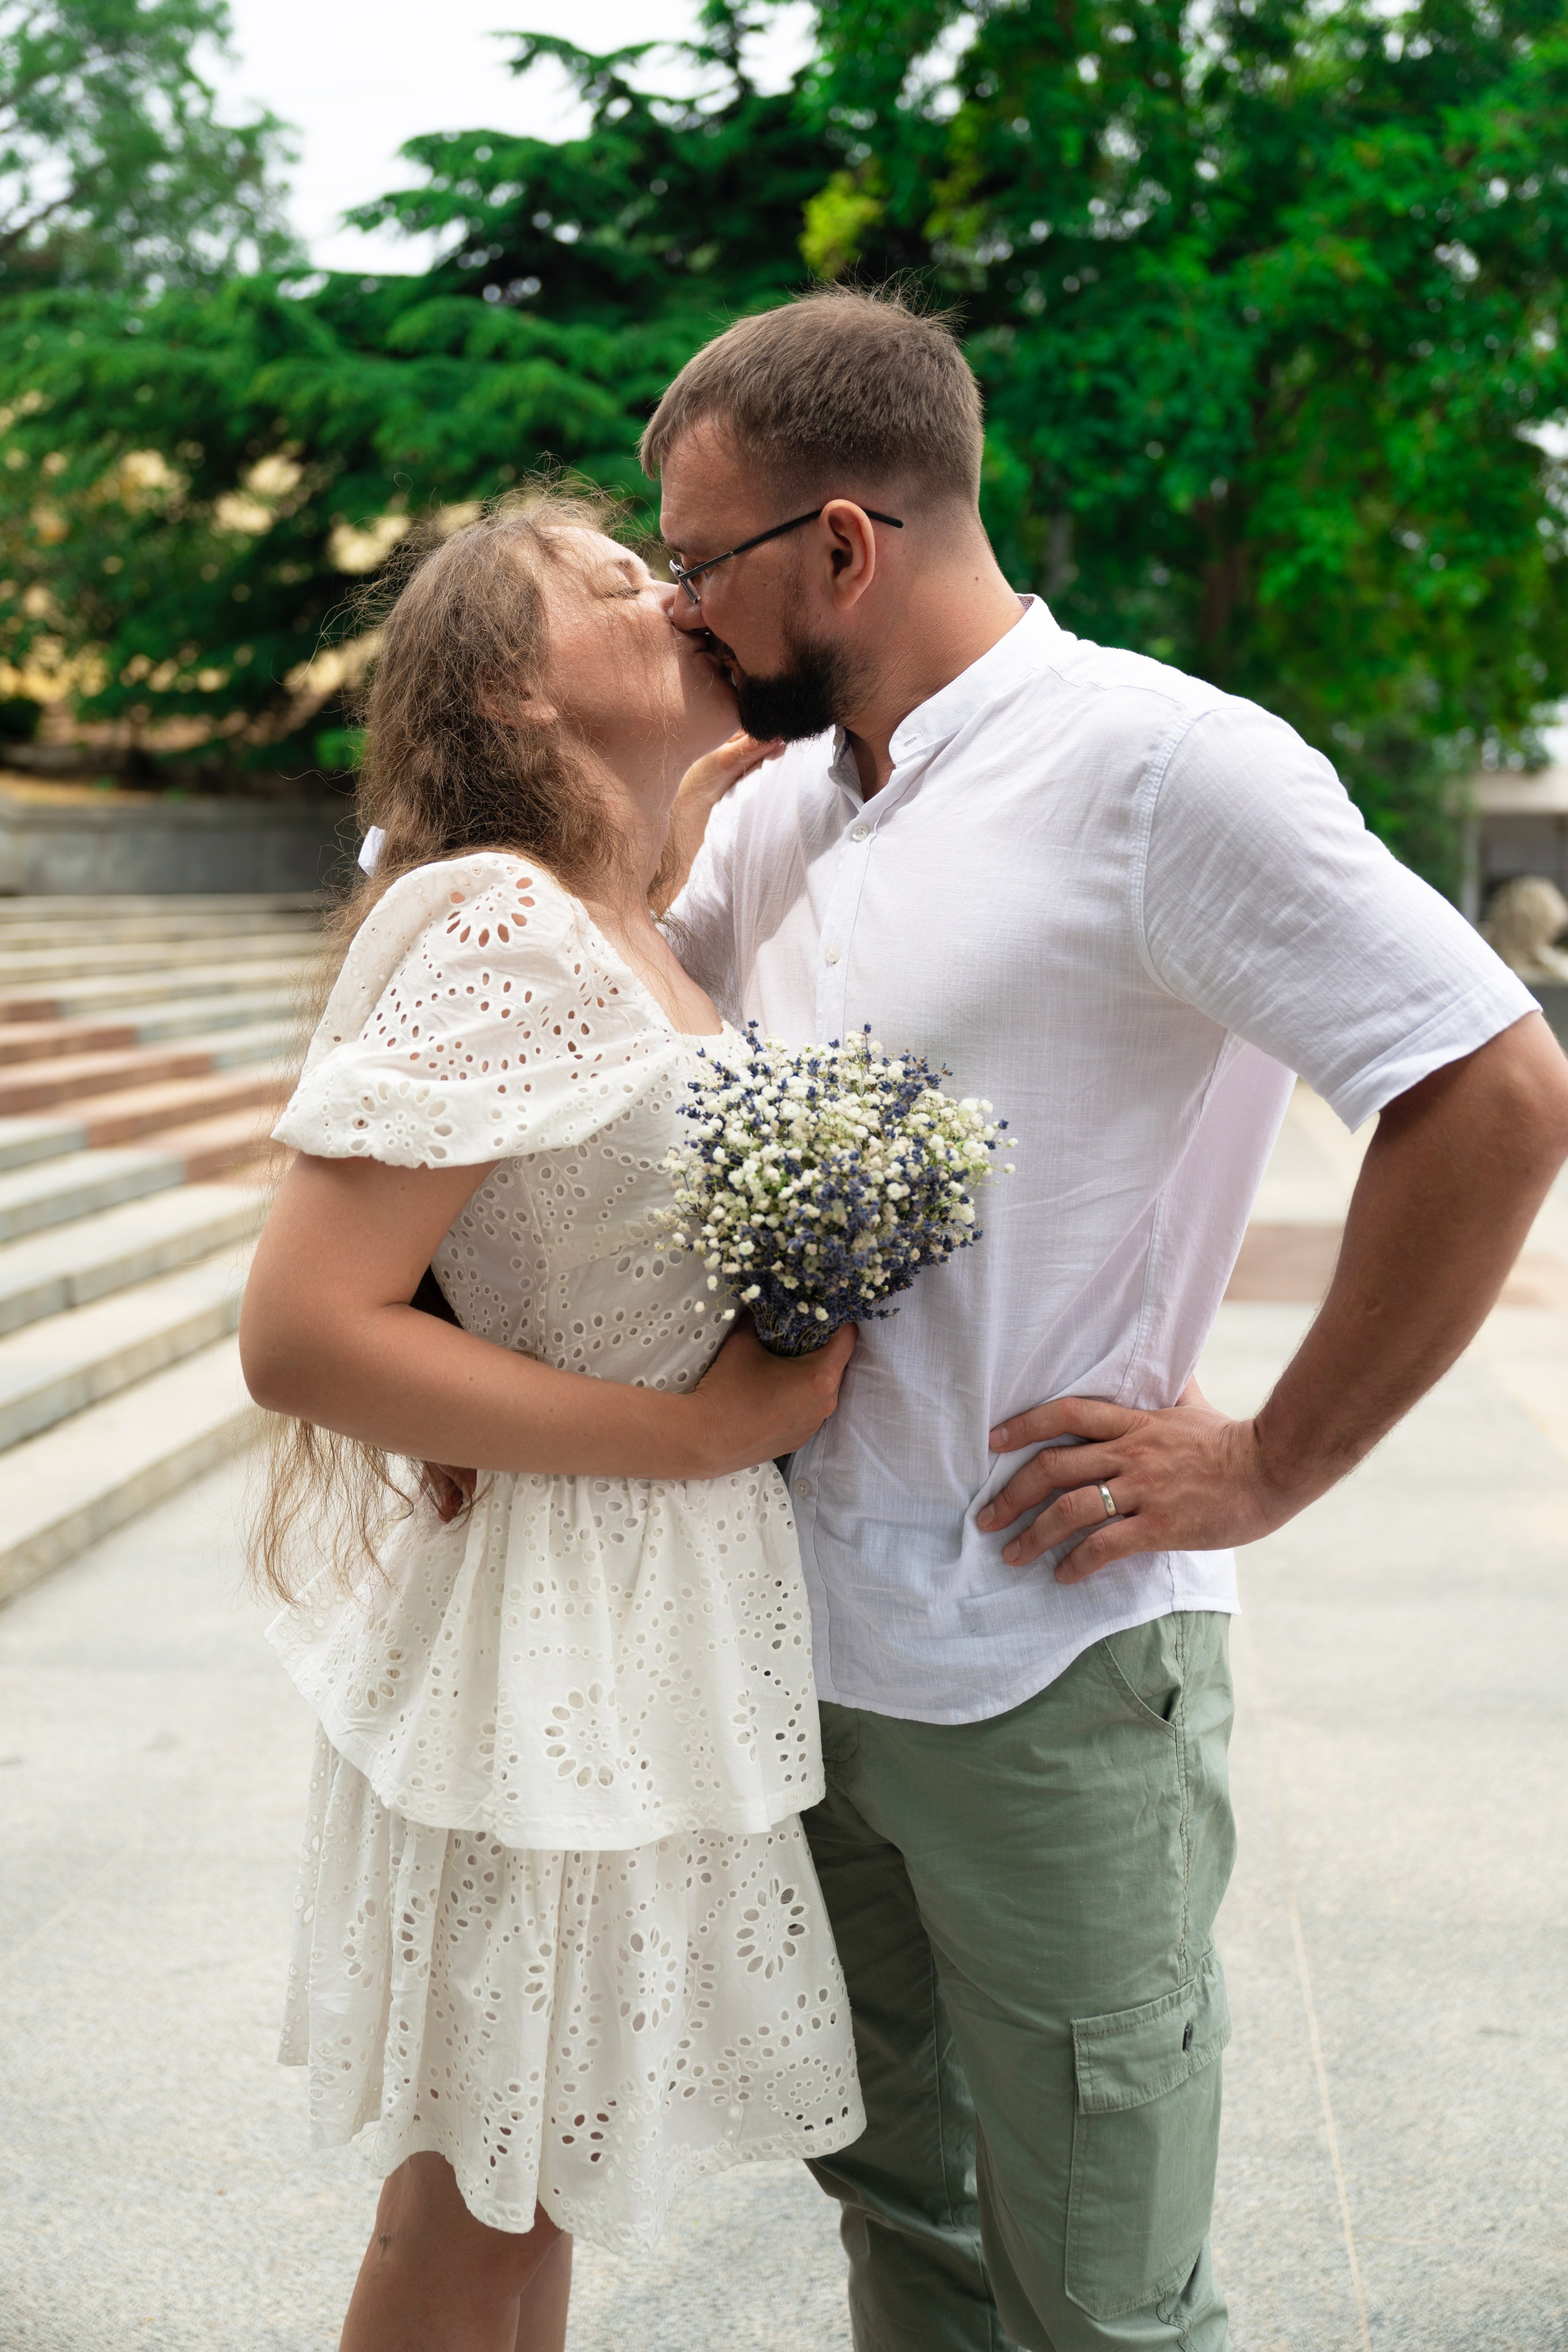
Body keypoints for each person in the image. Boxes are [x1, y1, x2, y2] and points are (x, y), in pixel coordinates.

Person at [633, 285, 1568, 2352]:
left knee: (1107, 2304)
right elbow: (603, 1049)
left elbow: (1493, 1089)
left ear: (846, 546)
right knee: (905, 2224)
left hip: (1045, 1670)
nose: (683, 614)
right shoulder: (783, 808)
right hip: (800, 1651)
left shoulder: (1162, 767)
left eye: (700, 567)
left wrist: (1272, 1458)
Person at [238, 489, 864, 2352]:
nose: (668, 588)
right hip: (562, 1627)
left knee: (547, 2182)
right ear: (509, 699)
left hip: (646, 1617)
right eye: (609, 586)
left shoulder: (626, 926)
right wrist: (687, 1433)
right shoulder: (505, 919)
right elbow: (299, 1331)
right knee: (479, 2204)